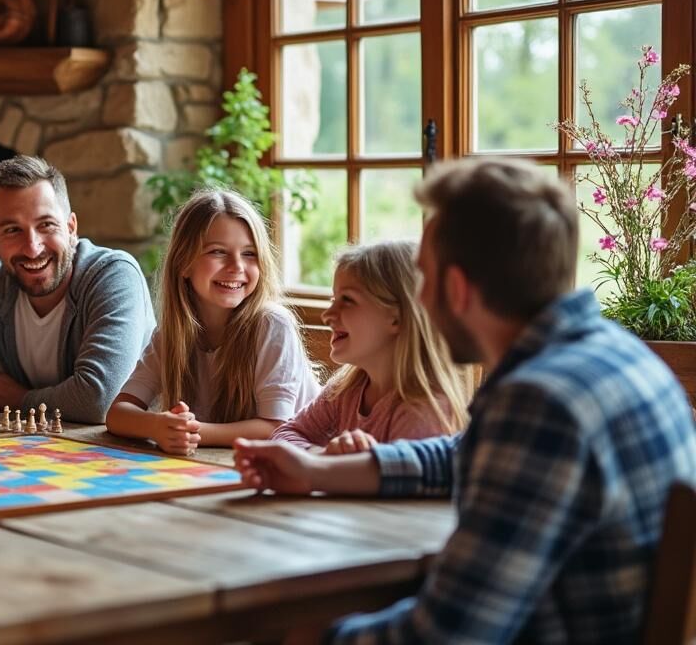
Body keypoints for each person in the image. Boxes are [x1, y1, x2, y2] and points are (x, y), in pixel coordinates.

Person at [234, 158, 696, 643]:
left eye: (424, 279)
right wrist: (316, 472)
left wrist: (313, 638)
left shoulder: (541, 402)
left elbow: (448, 634)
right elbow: (461, 455)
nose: (422, 301)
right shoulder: (617, 357)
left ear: (456, 288)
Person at [106, 190, 319, 454]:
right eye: (218, 252)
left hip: (304, 468)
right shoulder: (172, 335)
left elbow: (276, 427)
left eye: (249, 254)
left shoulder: (272, 325)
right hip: (222, 464)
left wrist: (192, 432)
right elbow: (117, 414)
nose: (237, 266)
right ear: (184, 264)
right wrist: (157, 427)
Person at [0, 155, 154, 423]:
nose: (33, 247)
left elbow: (98, 401)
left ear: (71, 228)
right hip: (39, 446)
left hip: (133, 452)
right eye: (13, 230)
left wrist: (20, 398)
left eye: (46, 225)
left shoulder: (113, 275)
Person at [271, 241, 468, 453]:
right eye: (333, 299)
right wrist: (322, 456)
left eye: (347, 300)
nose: (327, 315)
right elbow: (284, 434)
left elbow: (397, 483)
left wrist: (336, 466)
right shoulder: (346, 388)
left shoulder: (422, 412)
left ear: (396, 318)